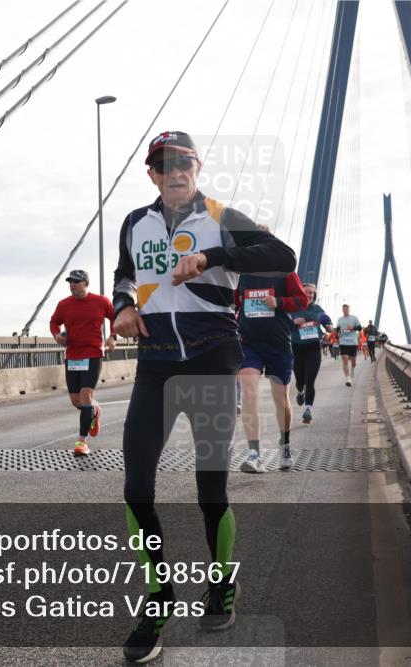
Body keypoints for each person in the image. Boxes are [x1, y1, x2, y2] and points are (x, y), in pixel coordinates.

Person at [112, 130, 296, 663]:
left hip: (214, 354)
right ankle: (157, 598)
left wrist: (212, 255)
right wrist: (122, 306)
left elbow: (280, 255)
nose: (175, 172)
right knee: (135, 488)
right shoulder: (134, 223)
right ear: (151, 174)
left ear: (196, 168)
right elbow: (126, 274)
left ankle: (220, 586)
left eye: (184, 163)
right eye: (163, 164)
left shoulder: (220, 214)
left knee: (210, 489)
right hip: (157, 363)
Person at [235, 267, 309, 474]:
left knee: (281, 398)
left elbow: (302, 300)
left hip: (278, 345)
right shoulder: (241, 275)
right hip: (248, 344)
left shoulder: (285, 273)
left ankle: (284, 445)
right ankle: (254, 455)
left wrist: (279, 302)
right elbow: (229, 303)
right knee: (248, 393)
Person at [50, 269, 116, 456]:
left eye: (76, 281)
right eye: (70, 281)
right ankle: (93, 411)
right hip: (72, 356)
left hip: (93, 354)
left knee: (86, 395)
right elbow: (54, 322)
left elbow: (114, 317)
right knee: (76, 400)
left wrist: (112, 337)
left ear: (86, 283)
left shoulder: (101, 301)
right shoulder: (64, 305)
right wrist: (56, 335)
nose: (72, 285)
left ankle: (82, 442)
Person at [290, 285, 334, 425]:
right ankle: (300, 391)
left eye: (311, 293)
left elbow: (326, 320)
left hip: (314, 349)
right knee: (299, 380)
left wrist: (329, 326)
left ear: (314, 295)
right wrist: (293, 322)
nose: (308, 295)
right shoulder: (294, 309)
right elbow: (283, 324)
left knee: (310, 381)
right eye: (306, 292)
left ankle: (308, 410)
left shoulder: (317, 310)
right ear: (301, 293)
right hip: (297, 349)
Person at [336, 304, 362, 387]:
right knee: (345, 360)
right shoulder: (340, 319)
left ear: (349, 310)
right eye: (344, 309)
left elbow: (360, 328)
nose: (345, 310)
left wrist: (353, 329)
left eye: (347, 309)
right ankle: (348, 378)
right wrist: (338, 334)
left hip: (353, 342)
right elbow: (337, 329)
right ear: (342, 310)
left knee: (353, 362)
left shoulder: (354, 318)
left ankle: (353, 369)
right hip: (343, 342)